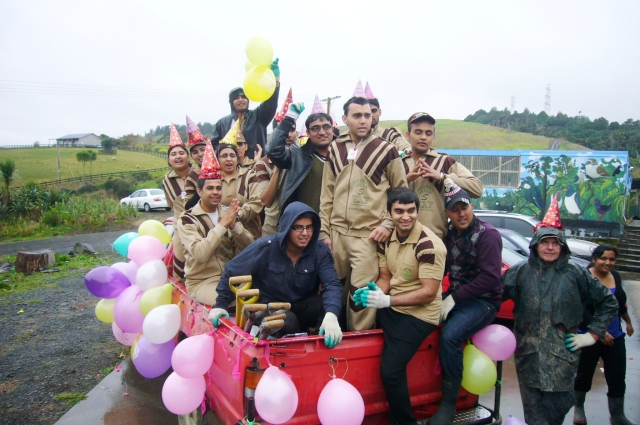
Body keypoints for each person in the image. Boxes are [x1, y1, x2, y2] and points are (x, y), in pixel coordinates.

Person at [502, 197, 618, 425]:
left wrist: (592, 334)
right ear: (535, 244)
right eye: (545, 242)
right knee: (534, 417)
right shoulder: (519, 272)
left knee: (559, 408)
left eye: (555, 243)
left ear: (563, 246)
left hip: (562, 359)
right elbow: (492, 298)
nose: (550, 247)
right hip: (529, 358)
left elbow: (608, 302)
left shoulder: (576, 273)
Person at [353, 187, 445, 425]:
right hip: (393, 306)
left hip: (419, 315)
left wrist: (387, 300)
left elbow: (429, 293)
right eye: (400, 211)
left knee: (390, 372)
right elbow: (385, 278)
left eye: (411, 211)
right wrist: (374, 293)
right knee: (357, 321)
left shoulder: (429, 245)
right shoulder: (387, 239)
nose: (406, 216)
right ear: (389, 213)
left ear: (417, 211)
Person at [319, 96, 408, 331]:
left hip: (368, 237)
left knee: (360, 299)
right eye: (357, 115)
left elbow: (401, 193)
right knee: (332, 291)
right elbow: (326, 195)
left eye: (367, 115)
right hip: (336, 234)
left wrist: (388, 224)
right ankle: (332, 342)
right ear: (345, 118)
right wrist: (324, 232)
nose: (363, 120)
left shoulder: (386, 150)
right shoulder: (335, 148)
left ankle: (359, 345)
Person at [210, 201, 344, 349]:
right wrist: (221, 305)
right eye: (298, 227)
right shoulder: (265, 247)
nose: (305, 233)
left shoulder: (319, 251)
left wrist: (331, 315)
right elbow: (232, 270)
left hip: (301, 304)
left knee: (331, 308)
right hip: (268, 307)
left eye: (309, 227)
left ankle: (321, 348)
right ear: (287, 227)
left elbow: (332, 284)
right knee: (288, 321)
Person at [430, 179, 503, 425]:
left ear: (472, 206)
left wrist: (454, 298)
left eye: (465, 207)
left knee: (451, 335)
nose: (461, 214)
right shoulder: (450, 235)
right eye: (455, 209)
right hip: (457, 297)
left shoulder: (487, 235)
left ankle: (448, 405)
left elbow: (491, 278)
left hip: (484, 302)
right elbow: (442, 268)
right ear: (447, 213)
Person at [177, 142, 254, 305]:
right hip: (202, 281)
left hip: (231, 276)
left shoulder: (226, 212)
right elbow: (200, 253)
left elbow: (250, 246)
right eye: (210, 188)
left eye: (219, 188)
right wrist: (222, 225)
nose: (215, 192)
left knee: (264, 293)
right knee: (232, 300)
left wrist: (235, 227)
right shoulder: (187, 219)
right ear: (199, 191)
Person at [573, 245, 636, 425]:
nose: (608, 262)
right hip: (589, 337)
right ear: (594, 259)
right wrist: (599, 331)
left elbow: (620, 303)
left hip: (615, 336)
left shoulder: (615, 276)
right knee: (584, 374)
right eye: (603, 258)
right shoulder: (584, 278)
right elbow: (581, 310)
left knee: (617, 375)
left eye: (612, 259)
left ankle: (617, 415)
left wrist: (628, 321)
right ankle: (579, 409)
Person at [402, 112, 484, 239]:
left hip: (434, 239)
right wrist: (405, 180)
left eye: (428, 133)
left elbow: (477, 189)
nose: (423, 137)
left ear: (433, 136)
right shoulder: (397, 162)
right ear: (408, 135)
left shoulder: (445, 162)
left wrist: (443, 177)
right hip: (400, 238)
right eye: (418, 132)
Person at [267, 102, 332, 216]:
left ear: (332, 128)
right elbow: (273, 150)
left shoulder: (344, 155)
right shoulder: (298, 156)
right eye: (315, 128)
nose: (322, 132)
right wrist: (289, 118)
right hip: (306, 223)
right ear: (307, 132)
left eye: (326, 127)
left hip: (337, 223)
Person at [210, 60, 281, 158]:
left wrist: (275, 81)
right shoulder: (222, 123)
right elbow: (212, 147)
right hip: (230, 166)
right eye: (236, 98)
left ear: (248, 100)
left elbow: (270, 104)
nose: (240, 100)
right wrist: (225, 155)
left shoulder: (258, 116)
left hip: (255, 164)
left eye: (243, 97)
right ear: (231, 102)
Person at [161, 123, 199, 282]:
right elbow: (172, 204)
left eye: (181, 153)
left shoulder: (199, 172)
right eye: (173, 154)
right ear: (169, 160)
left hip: (202, 226)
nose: (178, 156)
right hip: (180, 228)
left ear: (188, 157)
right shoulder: (167, 181)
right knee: (180, 268)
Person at [216, 120, 263, 240]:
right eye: (224, 156)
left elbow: (257, 202)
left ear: (237, 158)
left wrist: (239, 214)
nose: (229, 159)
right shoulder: (213, 179)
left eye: (232, 155)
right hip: (221, 237)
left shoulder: (249, 175)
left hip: (249, 235)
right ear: (218, 159)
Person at [255, 112, 298, 236]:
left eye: (292, 130)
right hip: (273, 228)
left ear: (297, 133)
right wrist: (279, 166)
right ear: (275, 134)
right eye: (282, 130)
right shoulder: (263, 164)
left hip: (299, 225)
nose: (288, 135)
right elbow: (266, 201)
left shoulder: (303, 159)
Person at [362, 81, 411, 152]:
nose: (371, 115)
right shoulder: (353, 137)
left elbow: (407, 149)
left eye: (374, 111)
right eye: (367, 113)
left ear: (380, 112)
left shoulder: (389, 135)